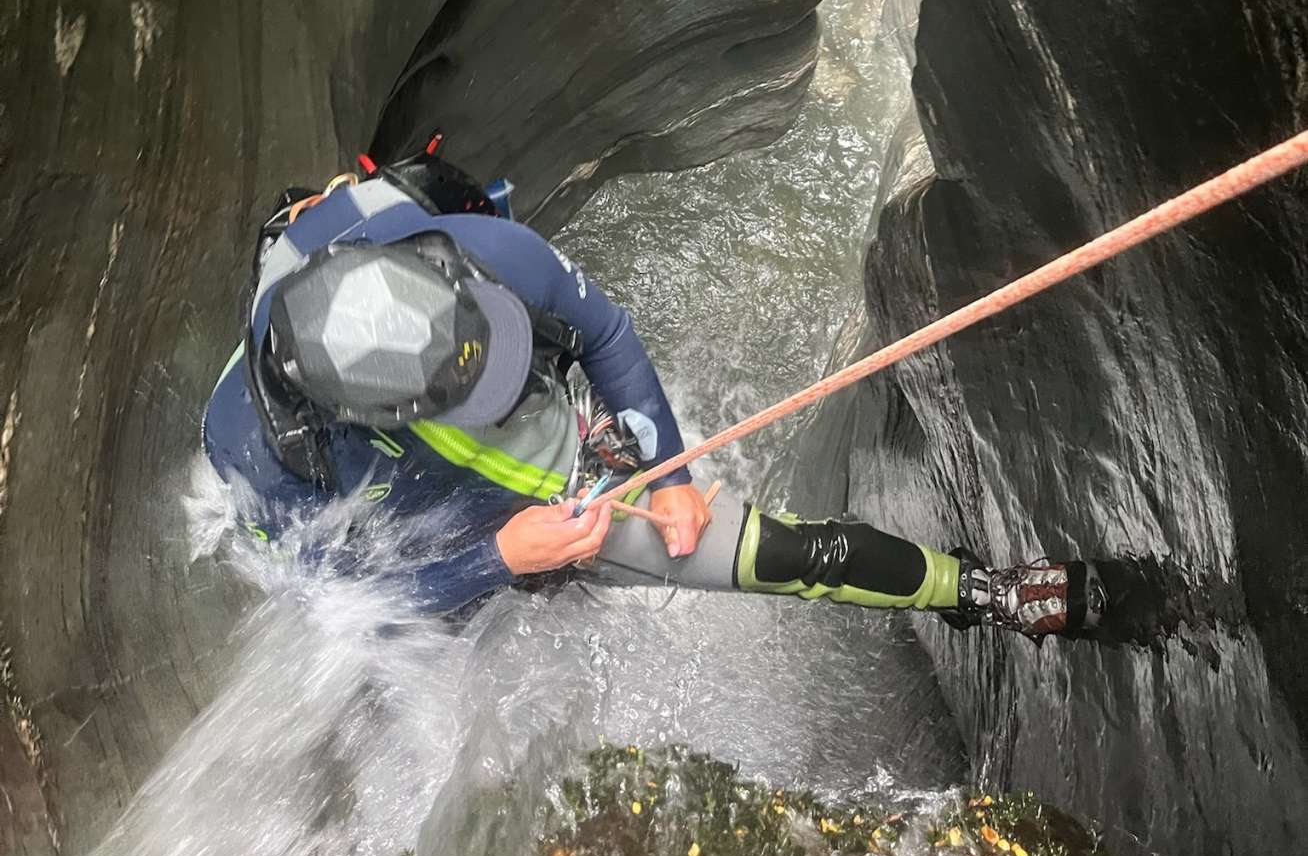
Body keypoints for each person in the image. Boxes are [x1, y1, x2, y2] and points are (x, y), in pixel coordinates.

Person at [201, 146, 1106, 638]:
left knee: (779, 556)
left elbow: (603, 332)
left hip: (556, 489)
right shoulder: (257, 452)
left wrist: (669, 474)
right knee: (427, 626)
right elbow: (333, 593)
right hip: (445, 530)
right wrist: (497, 562)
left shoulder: (470, 253)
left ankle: (980, 591)